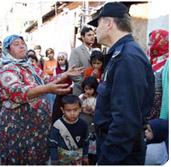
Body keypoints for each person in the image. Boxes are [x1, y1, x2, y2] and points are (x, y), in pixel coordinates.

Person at [0, 34, 84, 165]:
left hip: (37, 126)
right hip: (19, 126)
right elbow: (17, 92)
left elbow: (46, 79)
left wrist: (65, 74)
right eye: (16, 44)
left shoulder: (29, 65)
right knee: (21, 157)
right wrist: (47, 89)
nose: (21, 46)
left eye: (23, 43)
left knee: (37, 156)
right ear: (7, 50)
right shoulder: (6, 69)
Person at [88, 2, 155, 165]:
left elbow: (125, 121)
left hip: (121, 155)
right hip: (118, 149)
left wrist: (107, 160)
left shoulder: (126, 58)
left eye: (97, 24)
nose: (95, 30)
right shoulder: (120, 54)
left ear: (109, 23)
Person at [49, 95, 89, 165]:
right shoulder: (57, 125)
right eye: (68, 110)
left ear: (80, 109)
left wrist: (85, 156)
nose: (72, 113)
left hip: (77, 160)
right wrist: (54, 160)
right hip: (62, 160)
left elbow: (86, 142)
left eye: (75, 110)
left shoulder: (83, 125)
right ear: (62, 110)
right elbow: (53, 144)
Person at [146, 29, 169, 120]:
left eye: (151, 44)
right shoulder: (150, 61)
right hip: (146, 112)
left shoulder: (167, 65)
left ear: (161, 44)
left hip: (158, 115)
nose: (149, 47)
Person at [69, 26, 95, 96]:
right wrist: (85, 85)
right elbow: (73, 71)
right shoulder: (76, 51)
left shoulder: (95, 51)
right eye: (89, 35)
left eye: (93, 35)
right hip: (81, 90)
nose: (92, 37)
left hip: (94, 90)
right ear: (83, 37)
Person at [79, 76, 98, 164]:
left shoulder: (97, 99)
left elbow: (98, 112)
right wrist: (82, 102)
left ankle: (92, 161)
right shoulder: (82, 97)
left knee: (92, 150)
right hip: (83, 126)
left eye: (90, 89)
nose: (88, 91)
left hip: (93, 127)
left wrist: (91, 111)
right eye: (86, 89)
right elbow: (77, 107)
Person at [52, 52, 72, 124]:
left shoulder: (69, 69)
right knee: (58, 109)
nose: (60, 61)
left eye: (62, 59)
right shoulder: (55, 69)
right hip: (60, 92)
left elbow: (73, 81)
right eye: (59, 59)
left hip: (68, 92)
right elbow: (54, 79)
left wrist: (70, 87)